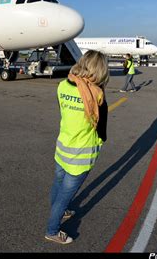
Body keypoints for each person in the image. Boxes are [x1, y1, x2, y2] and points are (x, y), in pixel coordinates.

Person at [45, 50, 109, 245]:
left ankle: (58, 210)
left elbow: (63, 111)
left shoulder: (62, 85)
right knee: (66, 194)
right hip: (81, 153)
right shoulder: (97, 94)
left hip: (63, 146)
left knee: (58, 182)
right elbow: (101, 130)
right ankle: (52, 230)